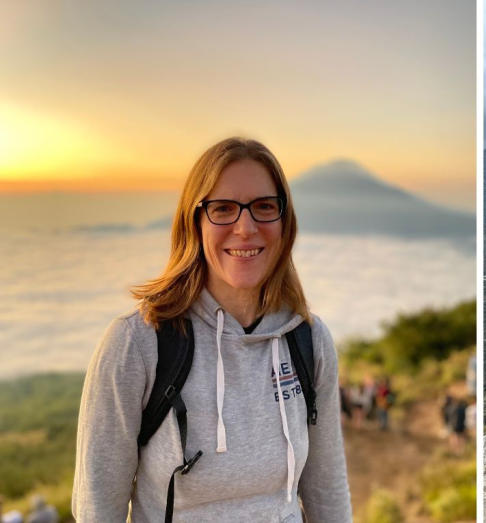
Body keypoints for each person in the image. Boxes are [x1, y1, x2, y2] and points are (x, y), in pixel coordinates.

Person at [72, 138, 351, 521]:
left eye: (264, 207)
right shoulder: (138, 344)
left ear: (285, 223)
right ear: (194, 222)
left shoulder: (308, 340)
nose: (246, 227)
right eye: (223, 209)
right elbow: (97, 507)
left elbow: (327, 492)